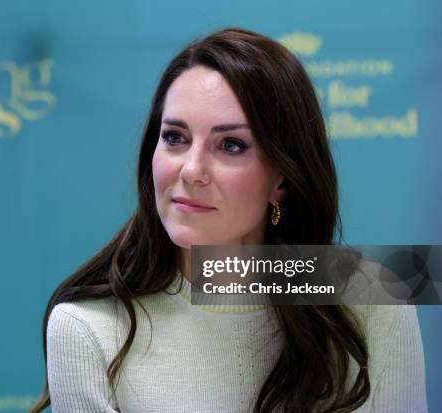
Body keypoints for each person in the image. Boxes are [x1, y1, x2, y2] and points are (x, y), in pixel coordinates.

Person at [30, 28, 427, 413]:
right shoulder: (87, 328)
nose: (191, 170)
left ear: (283, 181)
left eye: (231, 145)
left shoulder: (375, 299)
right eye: (175, 138)